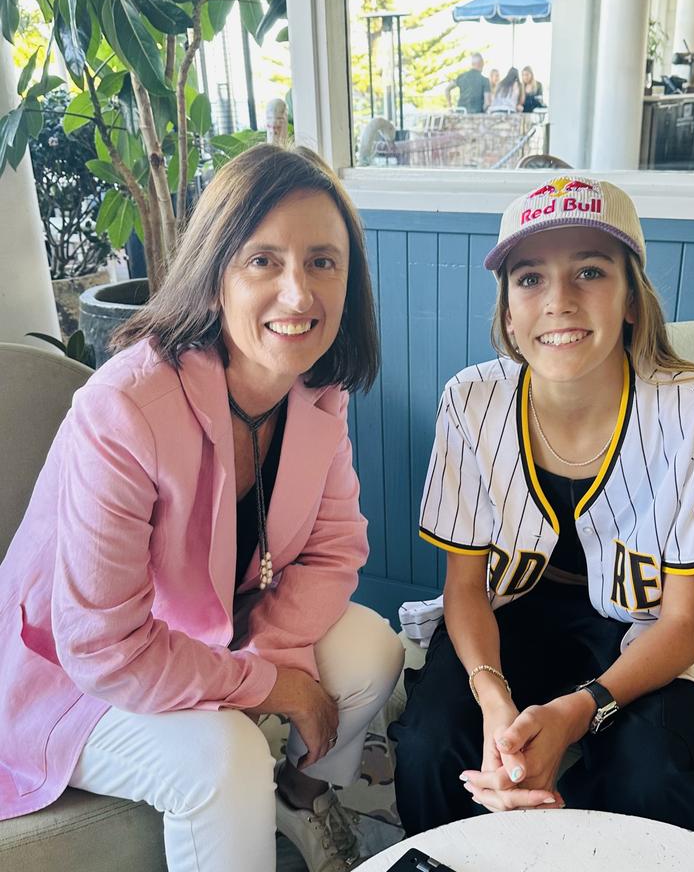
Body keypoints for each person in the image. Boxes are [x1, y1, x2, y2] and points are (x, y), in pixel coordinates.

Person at [0, 144, 405, 872]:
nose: (299, 294)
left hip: (214, 627)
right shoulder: (122, 411)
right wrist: (272, 684)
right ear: (215, 271)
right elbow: (104, 648)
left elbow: (335, 548)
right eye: (263, 261)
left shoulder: (316, 391)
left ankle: (301, 796)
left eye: (323, 261)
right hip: (74, 672)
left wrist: (273, 656)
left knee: (374, 651)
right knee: (227, 761)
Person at [390, 175, 694, 844]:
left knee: (652, 774)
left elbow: (685, 621)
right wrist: (492, 697)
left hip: (644, 623)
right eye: (530, 279)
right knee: (429, 745)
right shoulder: (470, 401)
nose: (558, 301)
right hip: (514, 610)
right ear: (507, 311)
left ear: (630, 299)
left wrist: (578, 711)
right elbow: (465, 588)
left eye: (589, 271)